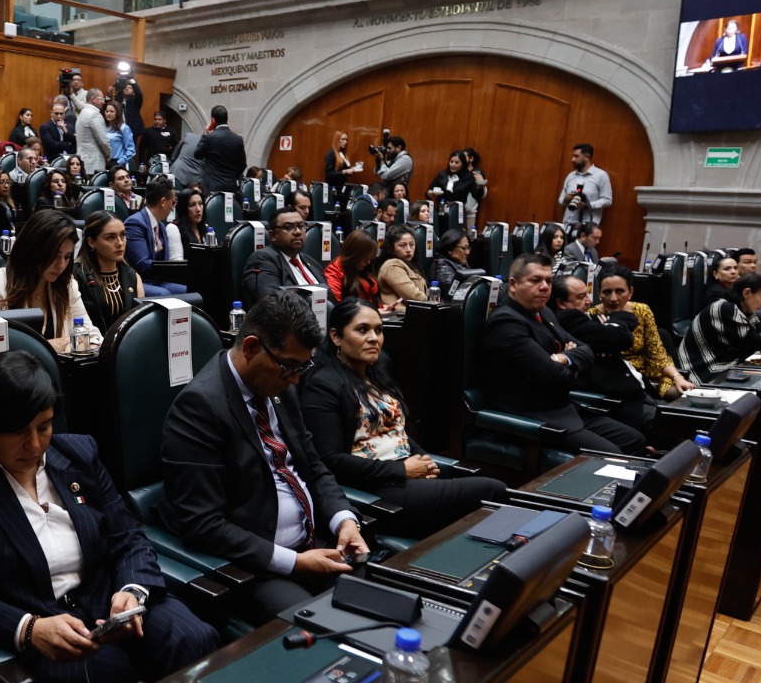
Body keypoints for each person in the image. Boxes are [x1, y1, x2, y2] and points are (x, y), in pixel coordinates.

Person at [0, 351, 217, 683]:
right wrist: (28, 630)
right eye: (18, 432)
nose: (35, 445)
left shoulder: (78, 452)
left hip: (109, 601)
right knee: (112, 676)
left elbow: (128, 537)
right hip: (40, 619)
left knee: (192, 639)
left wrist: (132, 591)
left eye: (44, 426)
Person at [162, 292, 369, 620]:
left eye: (303, 366)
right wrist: (295, 562)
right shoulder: (199, 408)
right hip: (257, 566)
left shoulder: (279, 386)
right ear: (251, 347)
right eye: (289, 366)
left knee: (377, 603)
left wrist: (344, 521)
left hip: (316, 541)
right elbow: (202, 524)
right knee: (324, 627)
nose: (296, 379)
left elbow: (312, 465)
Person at [301, 299, 509, 537]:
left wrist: (425, 462)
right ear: (336, 337)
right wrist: (402, 470)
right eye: (362, 329)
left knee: (486, 494)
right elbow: (331, 460)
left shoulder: (378, 369)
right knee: (493, 490)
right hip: (375, 492)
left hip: (403, 477)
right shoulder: (321, 384)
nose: (373, 338)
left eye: (378, 330)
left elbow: (395, 430)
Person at [481, 253, 646, 454]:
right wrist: (573, 367)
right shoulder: (506, 322)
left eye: (548, 281)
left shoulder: (544, 312)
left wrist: (564, 358)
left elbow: (586, 349)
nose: (544, 286)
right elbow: (554, 375)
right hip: (535, 417)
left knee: (635, 440)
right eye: (535, 280)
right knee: (613, 454)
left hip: (565, 409)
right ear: (513, 285)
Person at [0, 209, 100, 351]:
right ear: (33, 250)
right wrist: (52, 346)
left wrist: (73, 344)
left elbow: (93, 338)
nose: (61, 265)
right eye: (54, 255)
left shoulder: (68, 286)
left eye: (67, 256)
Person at [551, 272, 659, 434]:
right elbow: (622, 338)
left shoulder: (587, 316)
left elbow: (629, 320)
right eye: (581, 297)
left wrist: (609, 327)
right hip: (618, 403)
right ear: (561, 303)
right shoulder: (567, 319)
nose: (589, 301)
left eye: (587, 294)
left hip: (640, 395)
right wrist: (609, 329)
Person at [593, 268, 696, 401]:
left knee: (686, 398)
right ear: (599, 294)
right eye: (607, 292)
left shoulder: (642, 311)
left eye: (620, 291)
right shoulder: (592, 316)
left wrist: (677, 377)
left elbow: (657, 354)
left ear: (630, 292)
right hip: (615, 382)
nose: (613, 298)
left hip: (648, 377)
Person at [73, 210, 145, 333]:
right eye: (110, 237)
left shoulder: (132, 276)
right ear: (92, 242)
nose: (120, 243)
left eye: (122, 235)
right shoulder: (77, 277)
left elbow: (139, 322)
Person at [240, 208, 324, 304]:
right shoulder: (263, 259)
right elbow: (270, 303)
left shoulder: (312, 262)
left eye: (301, 226)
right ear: (272, 235)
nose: (298, 232)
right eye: (289, 227)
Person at [122, 175, 184, 296]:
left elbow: (164, 263)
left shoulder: (160, 225)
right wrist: (177, 267)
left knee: (192, 289)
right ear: (163, 202)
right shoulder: (135, 223)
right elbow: (141, 265)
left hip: (158, 281)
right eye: (173, 202)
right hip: (140, 282)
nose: (172, 208)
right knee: (163, 294)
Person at [195, 105, 247, 196]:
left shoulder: (209, 138)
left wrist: (204, 135)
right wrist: (232, 176)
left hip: (212, 187)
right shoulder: (238, 139)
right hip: (231, 186)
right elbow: (242, 165)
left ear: (213, 121)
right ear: (227, 118)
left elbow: (197, 154)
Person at [559, 143, 611, 228]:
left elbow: (607, 200)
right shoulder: (571, 176)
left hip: (588, 227)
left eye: (576, 156)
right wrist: (566, 199)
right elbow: (561, 200)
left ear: (587, 157)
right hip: (568, 225)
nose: (573, 159)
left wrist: (587, 205)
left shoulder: (601, 175)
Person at [376, 226, 428, 312]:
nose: (408, 249)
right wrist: (434, 301)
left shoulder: (410, 265)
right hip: (400, 317)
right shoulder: (392, 265)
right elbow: (414, 297)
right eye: (402, 245)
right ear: (392, 248)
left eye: (411, 245)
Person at [324, 227, 380, 305]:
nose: (368, 263)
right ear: (355, 254)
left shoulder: (364, 269)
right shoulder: (334, 271)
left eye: (370, 259)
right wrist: (373, 311)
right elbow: (337, 307)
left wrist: (382, 308)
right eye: (365, 259)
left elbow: (371, 300)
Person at [426, 150, 483, 225]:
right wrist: (429, 193)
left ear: (462, 164)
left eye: (456, 163)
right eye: (451, 161)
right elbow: (429, 191)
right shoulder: (442, 175)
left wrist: (481, 184)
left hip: (458, 214)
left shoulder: (468, 177)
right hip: (441, 212)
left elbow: (477, 195)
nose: (453, 164)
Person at [431, 227, 483, 297]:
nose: (467, 252)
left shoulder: (461, 264)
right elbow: (453, 292)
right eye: (464, 248)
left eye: (468, 248)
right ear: (450, 248)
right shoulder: (441, 266)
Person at [75, 89, 111, 175]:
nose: (103, 102)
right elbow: (103, 141)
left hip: (81, 158)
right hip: (93, 161)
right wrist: (109, 155)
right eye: (101, 99)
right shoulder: (95, 115)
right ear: (93, 99)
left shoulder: (82, 113)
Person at [325, 131, 360, 202]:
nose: (345, 142)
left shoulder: (342, 154)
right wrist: (345, 171)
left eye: (346, 140)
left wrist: (353, 169)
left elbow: (344, 170)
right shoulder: (331, 154)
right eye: (343, 139)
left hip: (342, 189)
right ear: (337, 140)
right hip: (333, 190)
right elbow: (328, 175)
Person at [174, 186, 207, 254]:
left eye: (200, 204)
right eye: (192, 205)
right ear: (184, 208)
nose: (198, 209)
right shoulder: (175, 230)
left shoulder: (206, 229)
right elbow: (177, 262)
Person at [105, 99, 136, 169]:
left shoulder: (124, 128)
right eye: (107, 111)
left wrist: (118, 162)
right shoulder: (103, 127)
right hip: (103, 163)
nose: (108, 114)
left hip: (117, 163)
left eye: (111, 111)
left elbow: (131, 150)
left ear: (118, 113)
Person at [39, 97, 72, 162]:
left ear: (64, 114)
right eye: (56, 113)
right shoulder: (45, 127)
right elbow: (51, 144)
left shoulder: (70, 126)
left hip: (69, 161)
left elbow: (75, 142)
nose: (59, 116)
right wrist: (67, 144)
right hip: (53, 160)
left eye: (61, 113)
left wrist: (65, 130)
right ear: (51, 113)